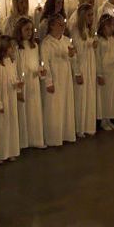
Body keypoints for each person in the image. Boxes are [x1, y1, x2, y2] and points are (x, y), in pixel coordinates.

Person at [41, 14, 78, 142]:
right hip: (55, 78)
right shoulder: (46, 43)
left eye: (63, 24)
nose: (63, 27)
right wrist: (48, 82)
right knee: (54, 107)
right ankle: (54, 137)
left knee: (66, 105)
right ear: (51, 26)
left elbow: (73, 60)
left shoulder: (67, 40)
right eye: (59, 24)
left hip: (65, 77)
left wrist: (72, 55)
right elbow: (44, 63)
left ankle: (66, 134)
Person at [0, 35, 22, 163]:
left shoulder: (11, 62)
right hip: (2, 99)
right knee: (1, 126)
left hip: (10, 97)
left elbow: (14, 78)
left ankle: (11, 151)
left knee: (11, 124)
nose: (13, 50)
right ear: (4, 48)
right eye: (11, 48)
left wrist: (18, 85)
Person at [13, 17, 45, 148]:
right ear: (19, 31)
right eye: (26, 29)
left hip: (33, 81)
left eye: (31, 29)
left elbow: (36, 63)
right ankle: (23, 141)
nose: (29, 32)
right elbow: (16, 67)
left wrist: (40, 70)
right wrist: (18, 89)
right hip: (23, 82)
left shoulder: (35, 46)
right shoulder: (16, 47)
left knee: (34, 110)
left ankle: (36, 139)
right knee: (24, 110)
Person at [71, 3, 98, 136]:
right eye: (89, 15)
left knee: (89, 94)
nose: (91, 17)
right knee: (81, 96)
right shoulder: (76, 30)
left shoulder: (89, 30)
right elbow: (76, 51)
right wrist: (77, 72)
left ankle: (88, 126)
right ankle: (79, 127)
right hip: (82, 65)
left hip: (90, 65)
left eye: (92, 14)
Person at [96, 14, 114, 130]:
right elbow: (98, 58)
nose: (111, 28)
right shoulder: (100, 40)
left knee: (112, 95)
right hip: (105, 71)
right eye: (109, 26)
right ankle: (103, 120)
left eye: (112, 25)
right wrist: (99, 74)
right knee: (104, 96)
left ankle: (110, 118)